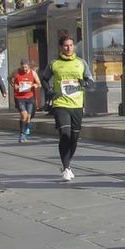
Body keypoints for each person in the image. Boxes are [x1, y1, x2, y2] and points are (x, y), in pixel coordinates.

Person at [40, 35, 95, 182]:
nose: (69, 48)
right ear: (61, 47)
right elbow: (44, 78)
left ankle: (67, 162)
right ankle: (66, 168)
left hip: (77, 105)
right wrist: (49, 91)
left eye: (71, 45)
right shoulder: (54, 63)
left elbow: (91, 81)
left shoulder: (81, 63)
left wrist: (85, 82)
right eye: (66, 46)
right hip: (60, 104)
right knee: (65, 134)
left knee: (74, 138)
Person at [11, 59, 42, 143]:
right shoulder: (16, 72)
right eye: (23, 67)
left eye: (26, 67)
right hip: (19, 97)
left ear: (29, 66)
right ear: (20, 66)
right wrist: (14, 85)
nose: (24, 69)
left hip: (30, 97)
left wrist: (34, 85)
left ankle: (27, 126)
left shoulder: (33, 73)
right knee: (24, 116)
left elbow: (39, 83)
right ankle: (22, 134)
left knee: (29, 116)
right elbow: (10, 79)